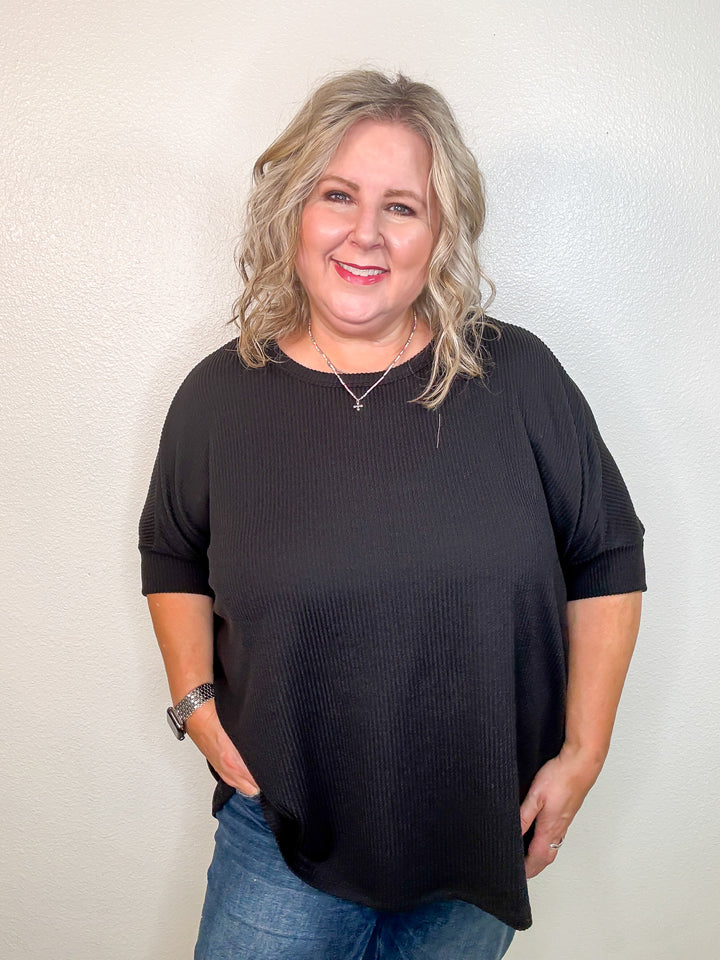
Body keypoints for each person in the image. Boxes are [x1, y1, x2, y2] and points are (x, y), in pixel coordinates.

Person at [139, 70, 645, 960]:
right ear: (295, 209)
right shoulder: (219, 398)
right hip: (282, 838)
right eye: (338, 195)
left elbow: (605, 551)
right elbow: (172, 549)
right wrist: (196, 704)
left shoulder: (517, 377)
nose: (364, 233)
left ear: (440, 231)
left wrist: (584, 753)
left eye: (402, 206)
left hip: (478, 839)